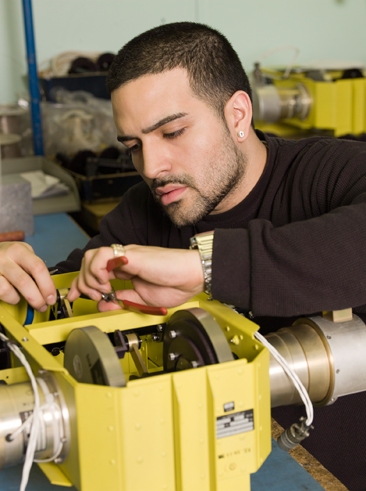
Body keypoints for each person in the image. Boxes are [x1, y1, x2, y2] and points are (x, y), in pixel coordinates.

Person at [1, 21, 366, 489]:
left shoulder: (328, 172)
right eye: (134, 146)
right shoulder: (145, 212)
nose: (152, 169)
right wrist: (18, 280)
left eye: (172, 132)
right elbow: (65, 301)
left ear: (237, 115)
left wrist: (206, 268)